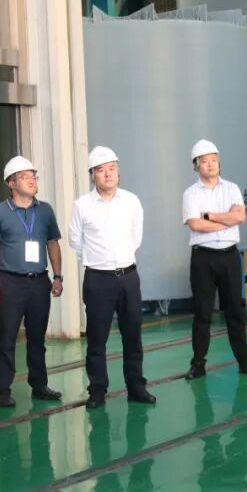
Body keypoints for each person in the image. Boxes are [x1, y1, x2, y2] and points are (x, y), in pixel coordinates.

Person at [68, 146, 155, 410]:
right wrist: (99, 263)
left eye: (112, 169)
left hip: (128, 277)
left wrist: (120, 261)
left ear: (118, 172)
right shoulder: (81, 205)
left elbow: (136, 236)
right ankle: (97, 391)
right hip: (98, 280)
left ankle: (136, 387)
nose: (107, 174)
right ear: (92, 175)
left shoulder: (131, 201)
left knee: (133, 335)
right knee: (97, 339)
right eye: (101, 170)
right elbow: (75, 241)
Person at [0, 156, 64, 408]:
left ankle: (39, 385)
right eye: (25, 176)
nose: (32, 180)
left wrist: (57, 276)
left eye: (34, 176)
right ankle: (2, 390)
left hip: (39, 282)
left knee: (37, 337)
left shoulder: (45, 210)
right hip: (10, 282)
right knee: (6, 338)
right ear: (11, 183)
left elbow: (53, 244)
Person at [181, 139, 247, 380]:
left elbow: (240, 217)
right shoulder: (190, 193)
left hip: (229, 256)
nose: (210, 165)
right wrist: (225, 221)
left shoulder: (232, 188)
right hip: (203, 257)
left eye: (214, 160)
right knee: (202, 312)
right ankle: (198, 364)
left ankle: (245, 361)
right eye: (204, 161)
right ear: (195, 166)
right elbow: (195, 224)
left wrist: (211, 216)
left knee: (235, 310)